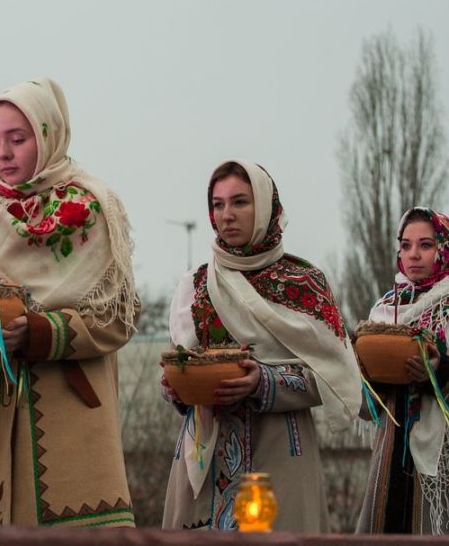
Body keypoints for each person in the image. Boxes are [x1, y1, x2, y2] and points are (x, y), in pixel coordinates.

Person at [0, 78, 140, 527]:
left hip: (69, 417)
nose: (3, 154)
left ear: (49, 135)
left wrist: (39, 332)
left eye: (17, 139)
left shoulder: (93, 208)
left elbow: (119, 317)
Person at [161, 159, 360, 532]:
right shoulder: (195, 286)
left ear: (266, 207)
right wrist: (177, 387)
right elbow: (183, 361)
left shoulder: (304, 284)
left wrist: (264, 381)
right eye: (218, 204)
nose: (227, 215)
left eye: (240, 202)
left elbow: (334, 377)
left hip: (279, 451)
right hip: (204, 456)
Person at [356, 207, 449, 534]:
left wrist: (438, 371)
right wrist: (370, 370)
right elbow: (365, 401)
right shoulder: (384, 309)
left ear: (444, 248)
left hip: (441, 454)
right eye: (406, 245)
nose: (414, 255)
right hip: (391, 448)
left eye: (426, 245)